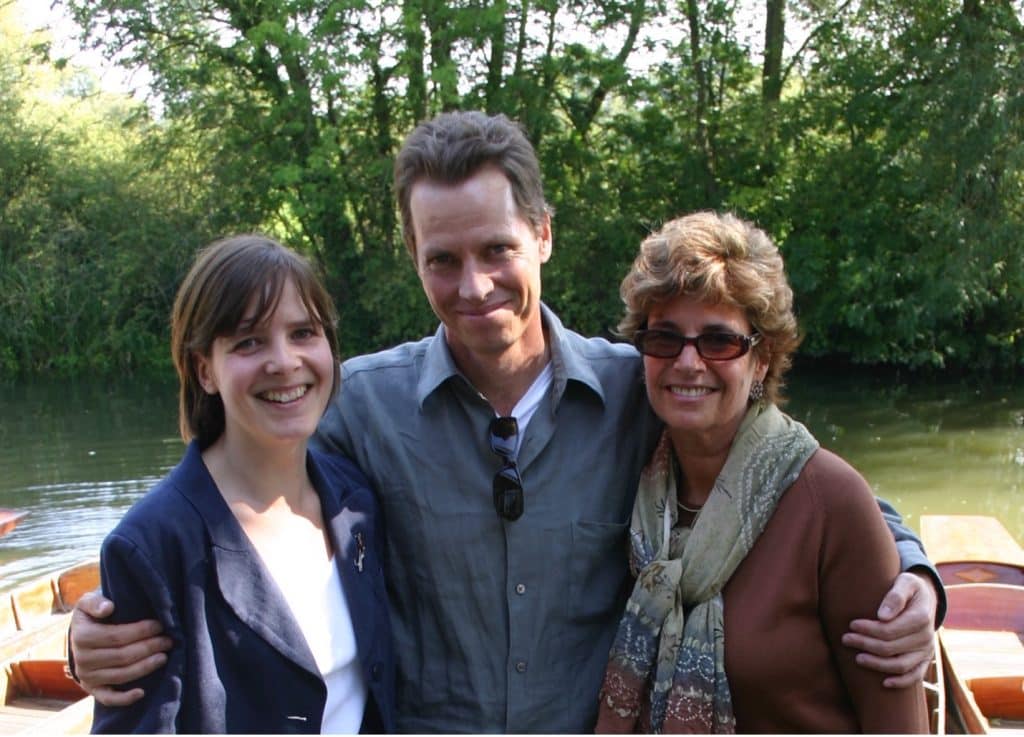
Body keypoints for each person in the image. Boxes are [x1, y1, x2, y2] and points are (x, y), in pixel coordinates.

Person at [69, 112, 942, 733]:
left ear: (544, 238)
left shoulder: (639, 387)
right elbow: (224, 480)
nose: (473, 284)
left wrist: (913, 574)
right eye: (441, 259)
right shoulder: (356, 408)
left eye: (496, 250)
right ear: (412, 257)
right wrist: (103, 620)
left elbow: (786, 474)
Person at [595, 212, 928, 733]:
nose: (688, 362)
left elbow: (898, 724)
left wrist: (925, 581)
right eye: (665, 339)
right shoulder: (633, 479)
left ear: (763, 358)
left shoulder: (830, 503)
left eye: (718, 341)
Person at [89, 235, 394, 733]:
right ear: (204, 369)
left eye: (302, 333)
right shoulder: (151, 545)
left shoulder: (356, 502)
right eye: (249, 341)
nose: (284, 361)